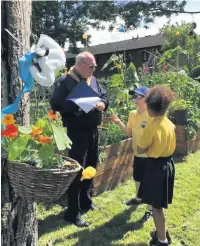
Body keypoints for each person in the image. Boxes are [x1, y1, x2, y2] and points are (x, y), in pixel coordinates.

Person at [50, 51, 109, 227]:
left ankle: (86, 201)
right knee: (77, 171)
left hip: (92, 130)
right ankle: (72, 212)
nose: (94, 70)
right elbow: (55, 104)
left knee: (91, 167)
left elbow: (105, 95)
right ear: (81, 64)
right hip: (76, 132)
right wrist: (79, 101)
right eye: (91, 66)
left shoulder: (93, 79)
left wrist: (102, 103)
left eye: (95, 67)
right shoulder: (64, 81)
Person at [137, 85, 176, 246]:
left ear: (150, 107)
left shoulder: (151, 127)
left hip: (155, 167)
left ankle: (162, 240)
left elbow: (140, 148)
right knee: (159, 203)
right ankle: (162, 231)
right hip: (168, 165)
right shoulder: (169, 123)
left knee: (156, 207)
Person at [110, 86, 153, 223]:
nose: (136, 99)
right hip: (137, 153)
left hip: (150, 155)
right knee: (137, 178)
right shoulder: (132, 114)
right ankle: (138, 198)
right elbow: (129, 133)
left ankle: (150, 209)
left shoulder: (152, 115)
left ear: (147, 99)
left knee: (149, 182)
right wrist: (119, 123)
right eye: (135, 96)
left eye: (139, 96)